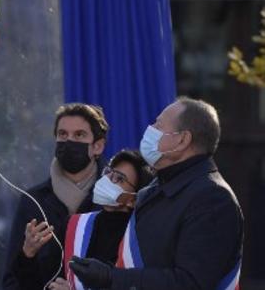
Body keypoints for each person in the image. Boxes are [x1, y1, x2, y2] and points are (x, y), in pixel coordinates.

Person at [71, 97, 244, 290]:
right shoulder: (157, 188)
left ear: (182, 140)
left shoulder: (212, 199)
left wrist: (111, 278)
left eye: (158, 125)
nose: (150, 128)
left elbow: (190, 283)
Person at [3, 103, 109, 290]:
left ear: (97, 146)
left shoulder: (113, 199)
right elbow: (11, 282)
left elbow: (126, 273)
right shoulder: (33, 201)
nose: (69, 141)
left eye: (79, 135)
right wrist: (27, 254)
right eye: (63, 134)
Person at [47, 150, 153, 290]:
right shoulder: (74, 225)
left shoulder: (142, 238)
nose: (108, 179)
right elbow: (48, 277)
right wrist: (28, 254)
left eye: (119, 179)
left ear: (133, 199)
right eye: (109, 172)